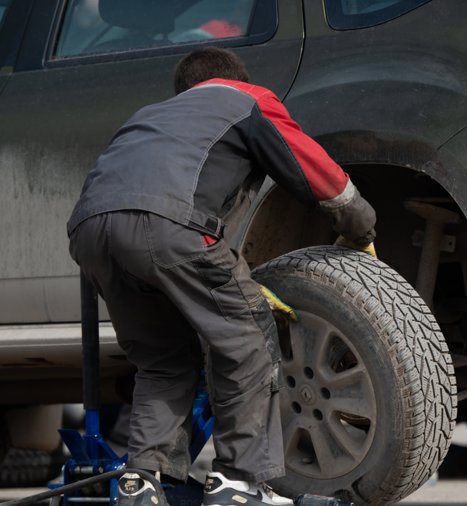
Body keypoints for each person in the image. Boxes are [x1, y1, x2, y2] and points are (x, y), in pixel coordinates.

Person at [67, 47, 376, 506]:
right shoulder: (244, 98)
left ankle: (140, 483)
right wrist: (361, 224)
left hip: (89, 232)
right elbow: (311, 166)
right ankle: (239, 482)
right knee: (247, 340)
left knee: (163, 361)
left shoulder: (152, 115)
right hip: (169, 226)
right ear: (233, 78)